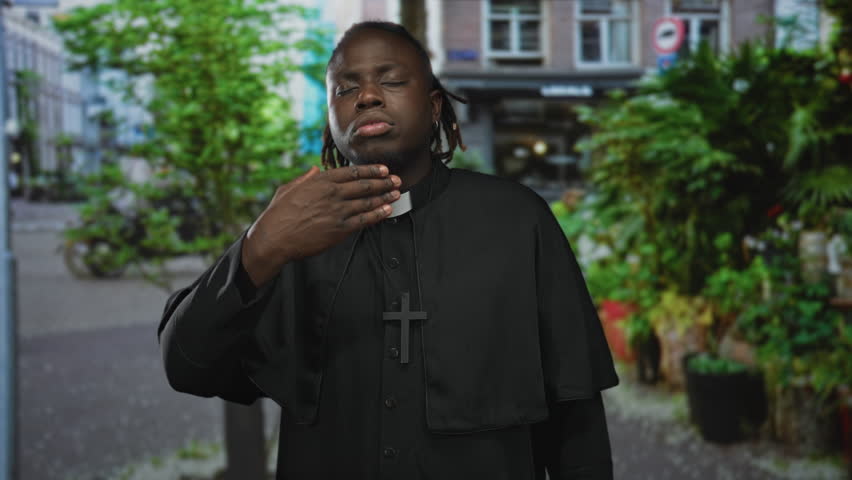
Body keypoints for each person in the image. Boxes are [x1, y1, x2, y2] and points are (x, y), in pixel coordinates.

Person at [158, 21, 619, 479]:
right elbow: (187, 367)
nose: (367, 97)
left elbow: (577, 420)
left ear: (435, 105)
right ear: (331, 121)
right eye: (344, 89)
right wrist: (258, 248)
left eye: (392, 80)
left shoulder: (518, 220)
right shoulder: (289, 235)